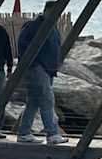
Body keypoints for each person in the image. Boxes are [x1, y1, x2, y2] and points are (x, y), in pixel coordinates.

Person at [14, 9, 66, 144]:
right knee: (47, 99)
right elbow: (22, 46)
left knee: (34, 101)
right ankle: (52, 133)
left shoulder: (52, 26)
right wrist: (34, 64)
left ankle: (24, 132)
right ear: (47, 11)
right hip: (38, 68)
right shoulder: (33, 26)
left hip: (48, 69)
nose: (57, 15)